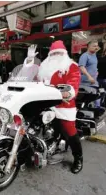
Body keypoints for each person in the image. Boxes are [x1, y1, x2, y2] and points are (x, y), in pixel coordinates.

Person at [38, 40, 83, 174]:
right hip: (45, 104)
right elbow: (35, 82)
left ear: (64, 53)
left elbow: (73, 86)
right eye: (53, 53)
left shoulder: (71, 66)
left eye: (59, 53)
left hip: (64, 105)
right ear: (50, 54)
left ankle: (78, 158)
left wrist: (65, 93)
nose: (56, 55)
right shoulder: (43, 67)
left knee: (70, 131)